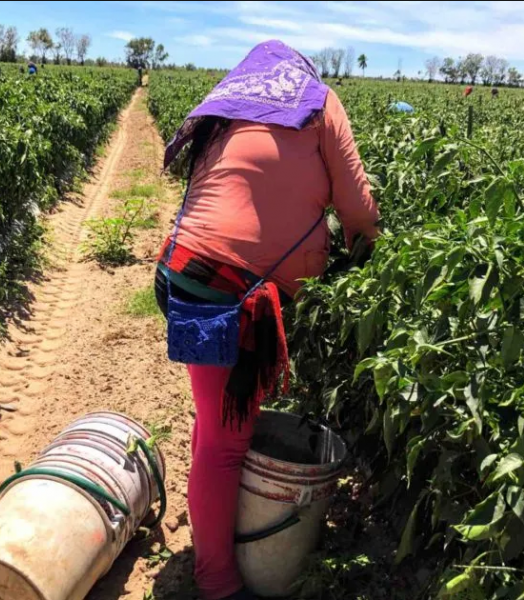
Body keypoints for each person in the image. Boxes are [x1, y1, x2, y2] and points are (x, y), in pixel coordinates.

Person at [154, 40, 379, 600]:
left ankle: (216, 534)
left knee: (215, 424)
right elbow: (358, 209)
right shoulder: (318, 103)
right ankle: (218, 581)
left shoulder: (229, 111)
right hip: (228, 293)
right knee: (226, 443)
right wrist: (364, 253)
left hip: (186, 273)